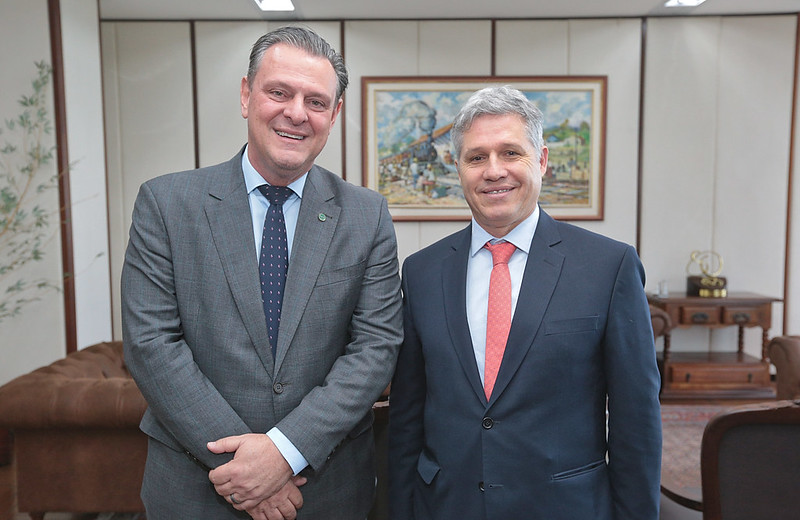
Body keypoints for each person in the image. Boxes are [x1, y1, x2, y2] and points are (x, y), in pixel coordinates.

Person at [121, 26, 403, 520]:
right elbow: (151, 344)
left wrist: (284, 452)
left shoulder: (367, 214)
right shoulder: (166, 204)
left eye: (316, 101)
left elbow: (376, 347)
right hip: (195, 486)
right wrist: (247, 469)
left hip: (325, 489)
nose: (296, 112)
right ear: (247, 95)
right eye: (279, 92)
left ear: (334, 115)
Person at [388, 86, 661, 519]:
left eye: (511, 153)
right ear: (457, 167)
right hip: (446, 505)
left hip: (564, 507)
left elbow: (636, 422)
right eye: (476, 157)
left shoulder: (609, 266)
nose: (494, 171)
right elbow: (406, 415)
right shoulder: (422, 271)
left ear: (543, 160)